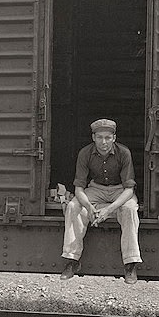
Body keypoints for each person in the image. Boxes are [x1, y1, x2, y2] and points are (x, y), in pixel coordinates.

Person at [60, 118, 142, 283]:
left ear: (114, 138)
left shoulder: (124, 153)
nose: (103, 142)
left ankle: (131, 263)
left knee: (130, 209)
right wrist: (89, 207)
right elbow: (79, 189)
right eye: (99, 137)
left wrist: (108, 210)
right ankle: (72, 260)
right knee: (73, 206)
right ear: (93, 137)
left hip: (120, 190)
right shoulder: (85, 153)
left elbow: (129, 189)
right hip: (96, 189)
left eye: (107, 138)